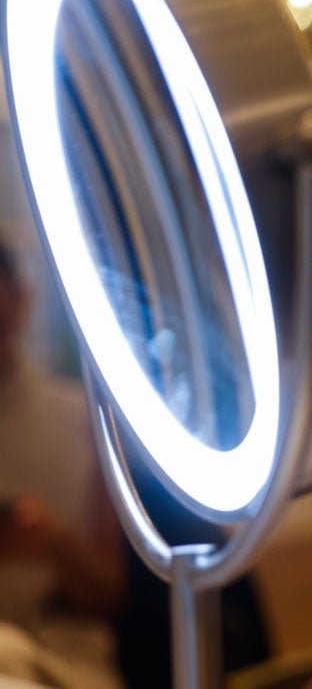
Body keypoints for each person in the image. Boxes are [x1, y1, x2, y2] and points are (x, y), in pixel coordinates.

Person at [0, 238, 125, 689]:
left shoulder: (82, 420)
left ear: (21, 298)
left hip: (70, 663)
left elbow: (110, 594)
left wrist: (58, 545)